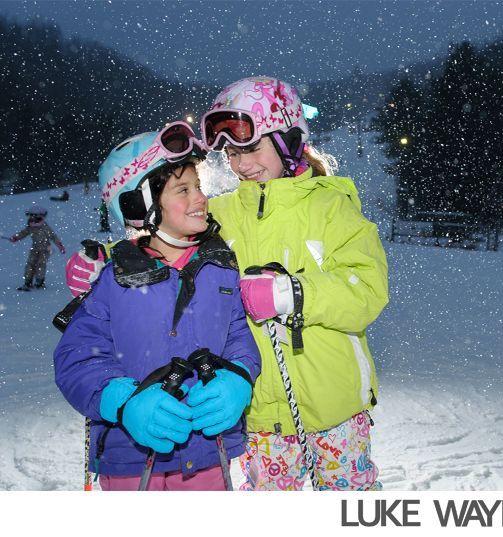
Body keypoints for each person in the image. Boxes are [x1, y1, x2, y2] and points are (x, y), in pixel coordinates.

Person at [66, 76, 389, 491]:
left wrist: (290, 293)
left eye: (251, 148)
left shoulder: (331, 206)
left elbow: (366, 288)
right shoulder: (224, 212)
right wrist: (106, 259)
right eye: (232, 154)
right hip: (259, 413)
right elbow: (168, 236)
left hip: (335, 404)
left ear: (289, 138)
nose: (240, 165)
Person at [54, 124, 261, 491]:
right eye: (184, 189)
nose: (200, 198)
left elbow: (239, 338)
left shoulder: (220, 267)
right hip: (132, 463)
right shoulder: (114, 280)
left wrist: (239, 377)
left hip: (211, 455)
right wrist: (124, 403)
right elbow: (76, 358)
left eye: (198, 186)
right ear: (140, 205)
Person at [8, 205, 65, 290]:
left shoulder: (45, 227)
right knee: (30, 264)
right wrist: (16, 237)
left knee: (40, 265)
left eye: (35, 218)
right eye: (31, 218)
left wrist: (60, 245)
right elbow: (23, 233)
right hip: (34, 248)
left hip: (45, 249)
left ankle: (40, 282)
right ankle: (28, 282)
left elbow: (53, 236)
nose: (33, 220)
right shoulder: (30, 227)